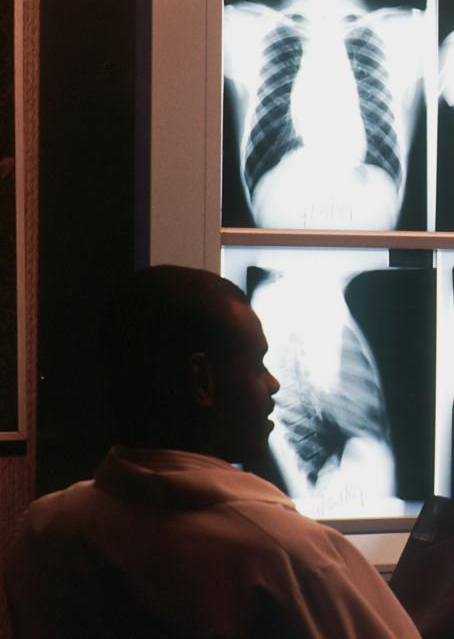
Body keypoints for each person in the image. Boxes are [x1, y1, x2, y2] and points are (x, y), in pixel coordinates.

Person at [4, 265, 420, 638]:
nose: (274, 384)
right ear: (202, 380)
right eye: (257, 364)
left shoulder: (44, 531)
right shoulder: (292, 559)